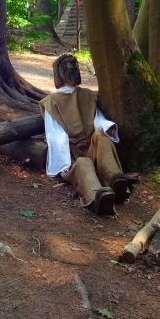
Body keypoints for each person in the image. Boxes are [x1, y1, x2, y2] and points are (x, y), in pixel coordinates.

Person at [40, 54, 130, 215]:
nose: (73, 69)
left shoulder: (85, 95)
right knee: (83, 163)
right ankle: (97, 197)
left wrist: (108, 128)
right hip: (75, 157)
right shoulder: (53, 101)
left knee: (100, 136)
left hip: (87, 153)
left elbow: (96, 122)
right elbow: (58, 137)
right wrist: (65, 165)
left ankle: (115, 180)